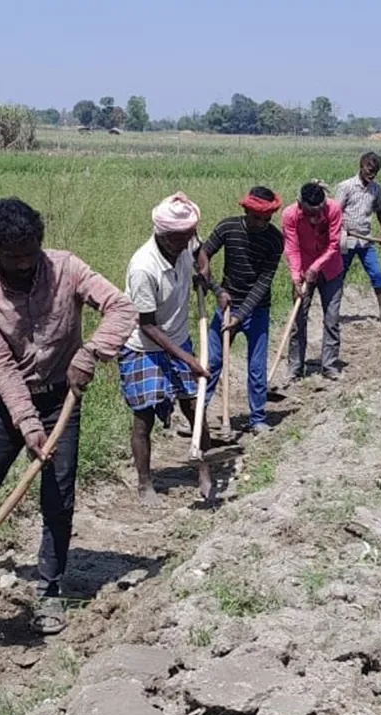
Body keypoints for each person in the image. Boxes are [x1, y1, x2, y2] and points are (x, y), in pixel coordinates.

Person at [0, 197, 137, 636]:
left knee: (58, 495)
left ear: (40, 243)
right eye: (13, 257)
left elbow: (122, 308)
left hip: (62, 398)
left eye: (31, 252)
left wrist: (92, 352)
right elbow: (1, 366)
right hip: (11, 401)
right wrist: (28, 423)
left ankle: (51, 589)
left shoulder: (67, 268)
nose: (24, 263)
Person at [119, 192, 213, 508]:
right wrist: (188, 359)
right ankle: (145, 484)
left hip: (178, 335)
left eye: (190, 235)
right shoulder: (143, 267)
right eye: (182, 237)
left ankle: (202, 468)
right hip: (144, 345)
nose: (188, 241)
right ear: (164, 234)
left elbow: (200, 252)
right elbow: (147, 325)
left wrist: (205, 273)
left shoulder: (185, 240)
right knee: (143, 416)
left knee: (193, 406)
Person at [197, 186, 284, 435]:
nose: (261, 223)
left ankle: (257, 418)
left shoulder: (275, 239)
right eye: (257, 217)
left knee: (257, 367)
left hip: (256, 310)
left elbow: (263, 283)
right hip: (226, 304)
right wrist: (216, 289)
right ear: (246, 210)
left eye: (267, 219)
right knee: (212, 361)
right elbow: (202, 256)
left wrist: (239, 316)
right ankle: (197, 415)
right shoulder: (228, 228)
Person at [281, 181, 345, 381]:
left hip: (330, 269)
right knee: (298, 319)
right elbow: (291, 247)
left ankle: (329, 365)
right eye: (310, 212)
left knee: (332, 319)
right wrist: (296, 277)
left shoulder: (333, 209)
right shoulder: (289, 215)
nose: (315, 217)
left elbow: (334, 244)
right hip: (302, 269)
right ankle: (295, 367)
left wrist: (315, 268)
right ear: (300, 205)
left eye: (318, 212)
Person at [335, 151, 381, 321]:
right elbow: (335, 213)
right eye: (369, 169)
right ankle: (333, 313)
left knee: (377, 275)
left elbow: (380, 212)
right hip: (346, 239)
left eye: (375, 171)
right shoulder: (346, 186)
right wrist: (340, 230)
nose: (372, 174)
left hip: (366, 240)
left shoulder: (376, 189)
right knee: (338, 277)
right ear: (362, 166)